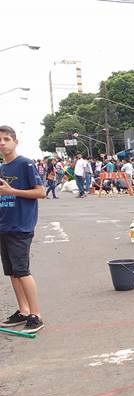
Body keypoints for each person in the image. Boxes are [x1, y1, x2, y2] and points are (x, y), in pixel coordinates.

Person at [0, 125, 47, 334]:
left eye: (6, 139)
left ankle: (36, 315)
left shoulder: (25, 163)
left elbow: (41, 192)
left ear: (15, 142)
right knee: (12, 272)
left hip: (21, 226)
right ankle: (23, 310)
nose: (2, 143)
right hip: (4, 225)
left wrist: (13, 191)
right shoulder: (2, 167)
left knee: (22, 271)